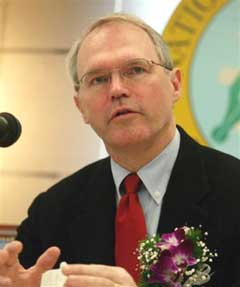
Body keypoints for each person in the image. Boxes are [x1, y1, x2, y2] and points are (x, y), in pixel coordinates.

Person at [0, 13, 240, 287]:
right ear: (81, 107)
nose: (116, 89)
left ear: (175, 85)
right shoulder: (52, 211)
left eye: (136, 69)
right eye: (98, 79)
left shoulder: (233, 191)